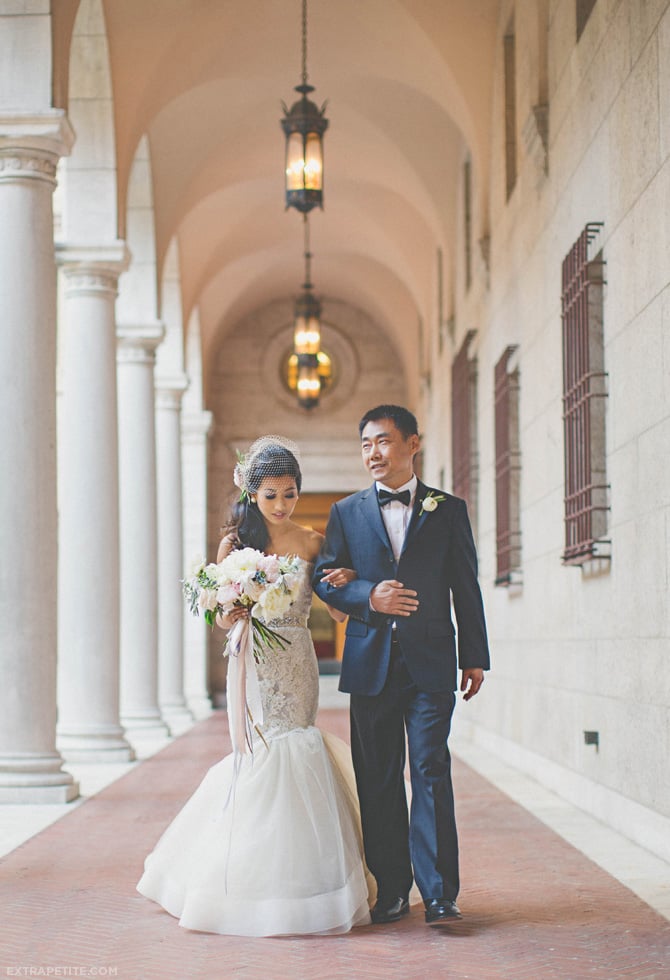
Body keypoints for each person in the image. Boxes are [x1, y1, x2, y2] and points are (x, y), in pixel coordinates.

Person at [137, 436, 373, 936]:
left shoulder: (313, 541)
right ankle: (241, 877)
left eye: (290, 493)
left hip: (298, 657)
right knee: (261, 750)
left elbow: (331, 607)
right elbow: (220, 617)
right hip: (253, 659)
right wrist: (233, 610)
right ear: (252, 494)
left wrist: (353, 586)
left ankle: (310, 880)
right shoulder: (233, 544)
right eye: (272, 495)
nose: (283, 505)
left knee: (299, 744)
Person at [313, 405, 490, 927]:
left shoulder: (447, 509)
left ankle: (440, 895)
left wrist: (475, 656)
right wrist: (370, 595)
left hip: (432, 661)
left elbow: (466, 584)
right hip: (370, 663)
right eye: (366, 443)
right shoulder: (346, 512)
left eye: (384, 441)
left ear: (413, 444)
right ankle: (391, 889)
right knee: (378, 777)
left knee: (431, 769)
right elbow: (326, 579)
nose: (374, 453)